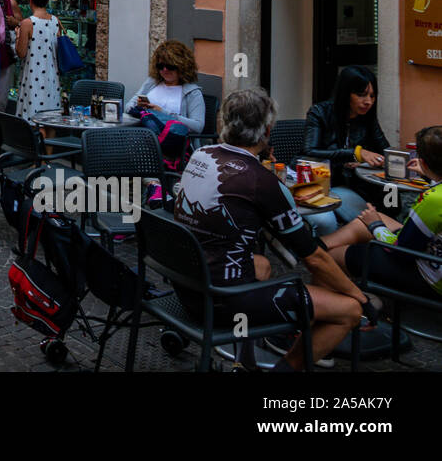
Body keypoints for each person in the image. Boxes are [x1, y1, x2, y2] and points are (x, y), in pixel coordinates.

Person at [174, 88, 374, 370]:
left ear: (223, 123)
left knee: (262, 264)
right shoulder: (261, 181)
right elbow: (312, 257)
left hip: (187, 284)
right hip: (224, 300)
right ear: (268, 130)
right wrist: (361, 298)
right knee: (348, 312)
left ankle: (244, 363)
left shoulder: (201, 154)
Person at [325, 126, 442, 302]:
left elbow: (399, 250)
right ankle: (314, 249)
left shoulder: (434, 200)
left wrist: (375, 225)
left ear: (424, 162)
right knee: (362, 223)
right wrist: (430, 175)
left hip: (429, 277)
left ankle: (341, 310)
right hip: (430, 252)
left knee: (330, 259)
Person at [304, 64, 391, 221]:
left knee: (389, 206)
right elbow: (310, 151)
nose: (368, 102)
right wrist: (355, 154)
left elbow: (386, 151)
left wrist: (375, 160)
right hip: (316, 181)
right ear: (345, 93)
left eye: (372, 96)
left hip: (353, 184)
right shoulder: (319, 112)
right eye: (361, 95)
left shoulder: (368, 118)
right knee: (328, 222)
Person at [126, 39, 207, 166]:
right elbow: (128, 106)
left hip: (172, 145)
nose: (164, 70)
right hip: (143, 138)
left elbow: (198, 127)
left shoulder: (192, 92)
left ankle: (151, 181)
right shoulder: (152, 82)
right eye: (160, 66)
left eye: (170, 66)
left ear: (182, 66)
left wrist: (163, 113)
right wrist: (140, 108)